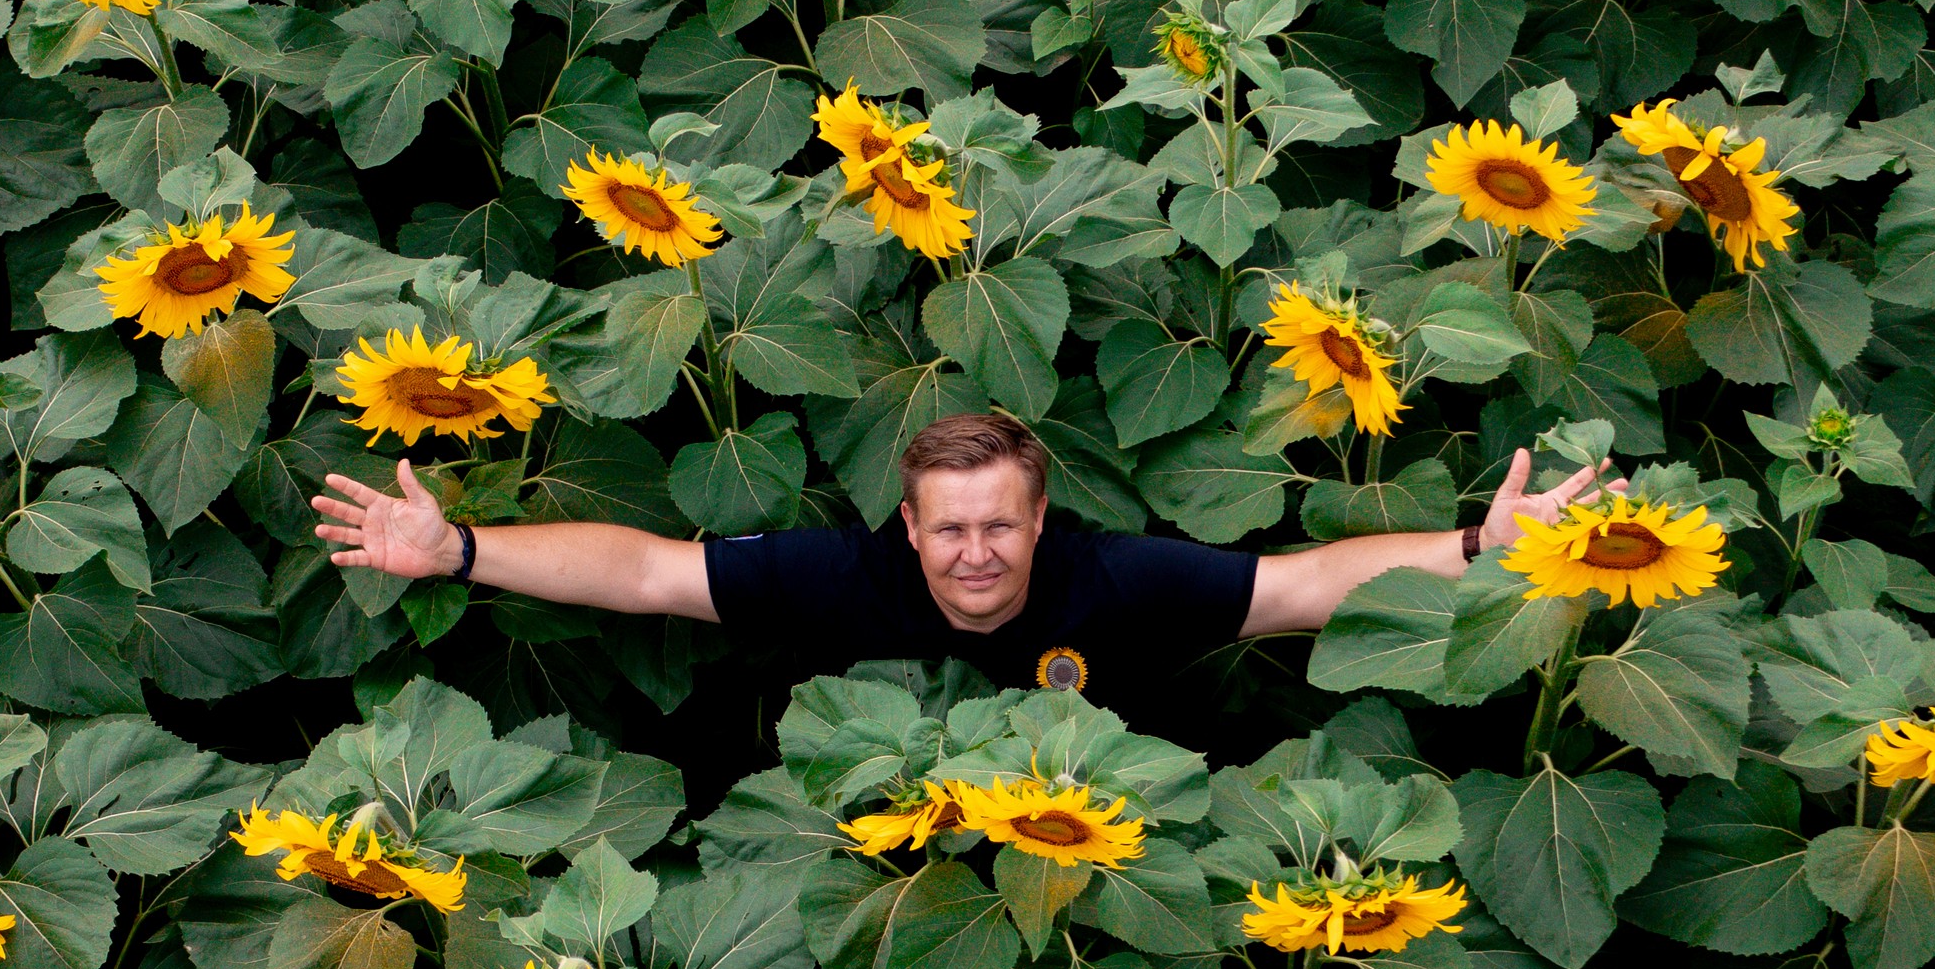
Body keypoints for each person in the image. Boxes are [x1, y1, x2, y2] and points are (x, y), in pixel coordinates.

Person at [308, 409, 1602, 707]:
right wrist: (463, 545)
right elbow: (646, 569)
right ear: (910, 527)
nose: (974, 551)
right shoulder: (846, 577)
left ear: (1043, 522)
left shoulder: (1118, 579)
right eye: (949, 526)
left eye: (1000, 523)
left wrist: (1474, 546)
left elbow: (1299, 587)